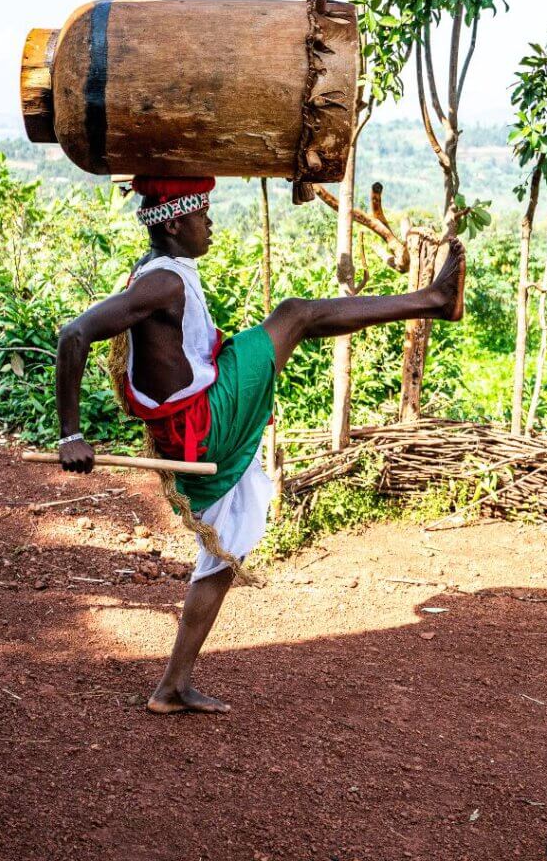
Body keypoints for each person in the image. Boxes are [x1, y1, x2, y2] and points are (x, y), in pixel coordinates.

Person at [55, 176, 465, 714]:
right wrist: (70, 434)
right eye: (202, 213)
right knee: (296, 314)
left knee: (223, 548)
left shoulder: (166, 273)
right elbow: (73, 334)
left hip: (195, 421)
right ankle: (434, 300)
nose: (211, 222)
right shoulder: (161, 284)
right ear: (175, 224)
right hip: (205, 425)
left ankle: (172, 686)